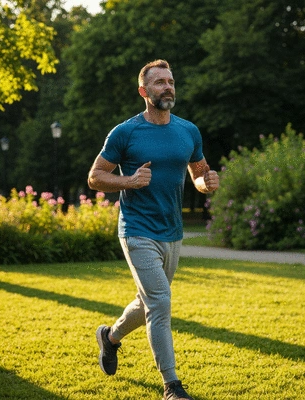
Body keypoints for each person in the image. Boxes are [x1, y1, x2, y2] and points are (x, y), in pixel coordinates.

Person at [87, 59, 219, 400]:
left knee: (148, 302)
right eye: (160, 82)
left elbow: (199, 173)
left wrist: (207, 182)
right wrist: (128, 181)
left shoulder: (188, 130)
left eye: (171, 81)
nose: (168, 87)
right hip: (136, 229)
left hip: (172, 232)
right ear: (144, 92)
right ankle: (171, 385)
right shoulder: (125, 132)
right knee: (160, 301)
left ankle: (110, 337)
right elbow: (95, 176)